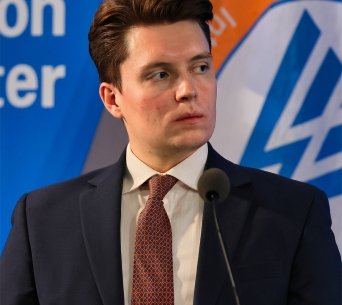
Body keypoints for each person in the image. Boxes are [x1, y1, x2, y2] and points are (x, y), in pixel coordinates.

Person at [1, 0, 341, 304]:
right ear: (112, 98)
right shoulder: (43, 221)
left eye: (200, 67)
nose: (188, 90)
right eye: (161, 74)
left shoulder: (293, 213)